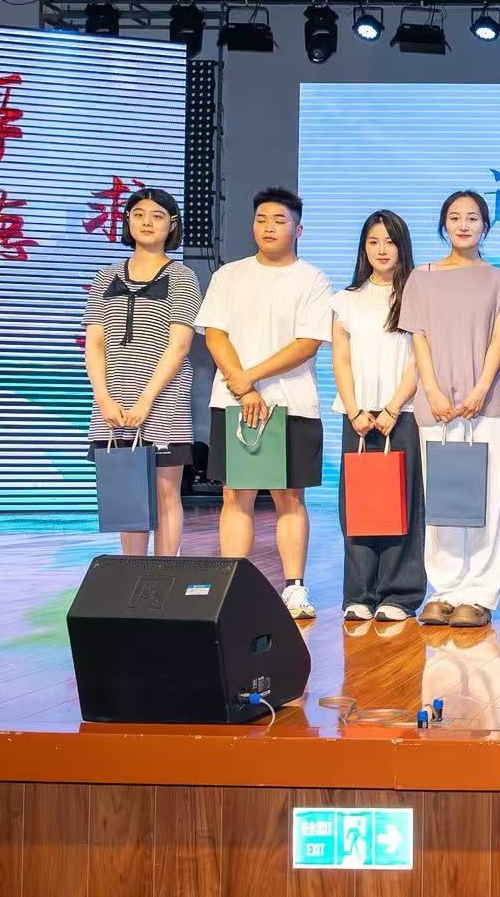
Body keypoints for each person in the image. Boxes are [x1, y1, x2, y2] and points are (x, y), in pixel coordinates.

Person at [196, 187, 333, 618]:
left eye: (279, 220)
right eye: (261, 219)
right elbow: (215, 334)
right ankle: (232, 587)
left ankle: (294, 588)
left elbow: (307, 343)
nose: (269, 227)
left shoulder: (312, 279)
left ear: (298, 229)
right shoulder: (229, 275)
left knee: (289, 498)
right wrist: (243, 388)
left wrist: (249, 376)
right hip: (235, 403)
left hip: (292, 404)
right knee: (235, 496)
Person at [401, 190, 500, 629]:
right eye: (455, 217)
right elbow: (419, 338)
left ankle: (480, 593)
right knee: (443, 498)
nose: (463, 225)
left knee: (488, 499)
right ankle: (445, 589)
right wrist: (431, 390)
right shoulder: (421, 277)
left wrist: (481, 389)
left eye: (472, 217)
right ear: (443, 224)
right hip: (436, 406)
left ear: (485, 225)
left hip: (486, 404)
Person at [83, 186, 200, 557]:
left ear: (172, 225)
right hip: (113, 404)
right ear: (127, 221)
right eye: (139, 214)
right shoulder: (106, 276)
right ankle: (132, 575)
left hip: (163, 402)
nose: (147, 222)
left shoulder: (182, 277)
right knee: (128, 492)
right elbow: (94, 343)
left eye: (157, 216)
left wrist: (146, 400)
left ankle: (164, 577)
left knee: (165, 492)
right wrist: (103, 399)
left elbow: (179, 346)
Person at [331, 209, 425, 623]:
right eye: (373, 242)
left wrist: (392, 407)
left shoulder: (417, 296)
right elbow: (341, 359)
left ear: (402, 246)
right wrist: (355, 410)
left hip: (401, 414)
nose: (381, 250)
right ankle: (360, 593)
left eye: (389, 241)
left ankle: (398, 595)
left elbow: (420, 361)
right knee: (359, 505)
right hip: (358, 417)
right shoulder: (346, 299)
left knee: (402, 505)